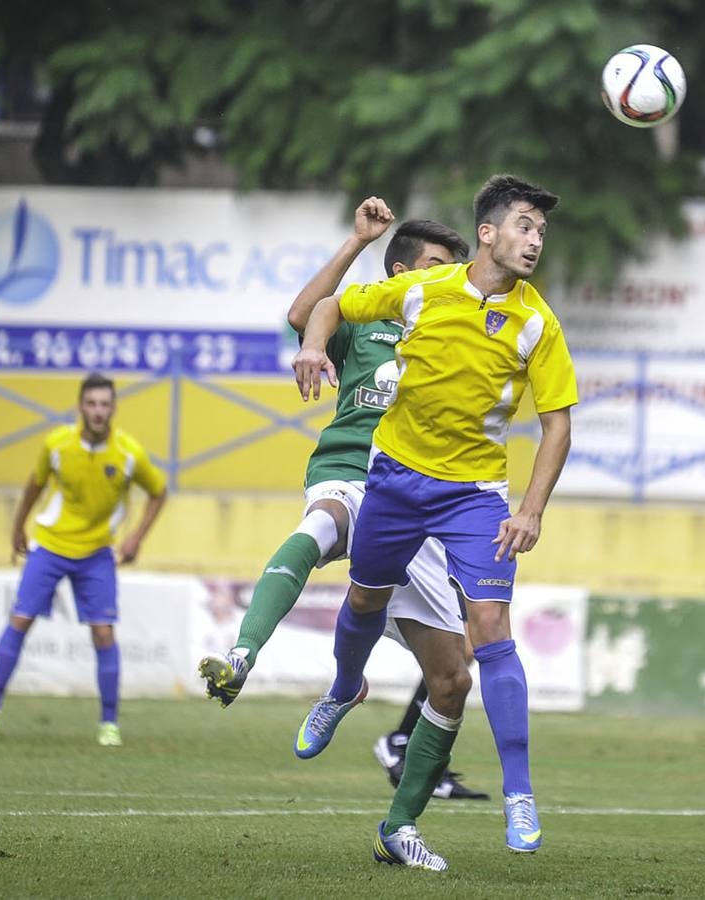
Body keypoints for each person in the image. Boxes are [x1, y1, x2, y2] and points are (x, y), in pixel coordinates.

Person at [290, 174, 577, 865]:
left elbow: (558, 424)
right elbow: (328, 306)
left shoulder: (537, 320)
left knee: (489, 629)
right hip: (394, 476)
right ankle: (340, 691)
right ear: (487, 234)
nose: (534, 240)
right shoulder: (425, 289)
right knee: (364, 596)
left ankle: (519, 792)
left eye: (540, 230)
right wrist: (311, 347)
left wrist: (530, 510)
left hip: (474, 494)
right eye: (522, 226)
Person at [196, 199, 486, 801]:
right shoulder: (368, 320)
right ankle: (244, 654)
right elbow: (308, 312)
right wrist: (355, 245)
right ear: (399, 272)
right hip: (349, 469)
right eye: (432, 265)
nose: (442, 277)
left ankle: (403, 799)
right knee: (318, 528)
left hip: (419, 490)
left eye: (450, 269)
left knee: (457, 665)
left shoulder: (453, 328)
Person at [0, 373, 167, 747]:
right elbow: (34, 485)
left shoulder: (128, 452)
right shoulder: (57, 444)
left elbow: (158, 492)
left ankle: (109, 723)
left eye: (105, 404)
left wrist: (135, 538)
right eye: (92, 404)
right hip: (50, 545)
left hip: (97, 553)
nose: (98, 411)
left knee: (103, 633)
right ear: (80, 407)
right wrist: (18, 527)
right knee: (21, 619)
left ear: (113, 408)